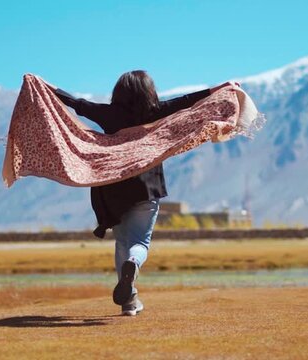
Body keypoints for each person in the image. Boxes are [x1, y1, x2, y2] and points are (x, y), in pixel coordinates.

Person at [45, 70, 236, 316]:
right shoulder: (155, 111)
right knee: (139, 243)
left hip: (113, 189)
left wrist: (48, 88)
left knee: (122, 242)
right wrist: (217, 89)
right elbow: (189, 101)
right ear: (148, 91)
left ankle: (129, 301)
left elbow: (77, 104)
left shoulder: (109, 114)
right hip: (147, 188)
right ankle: (133, 267)